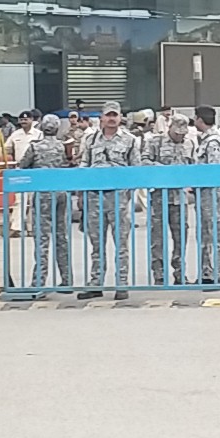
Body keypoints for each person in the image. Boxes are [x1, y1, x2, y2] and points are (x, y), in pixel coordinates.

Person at [79, 102, 140, 298]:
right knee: (97, 245)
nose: (112, 118)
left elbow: (135, 169)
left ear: (120, 117)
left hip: (118, 199)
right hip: (95, 199)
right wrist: (81, 194)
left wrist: (128, 193)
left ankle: (122, 284)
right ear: (102, 118)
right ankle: (95, 283)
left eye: (115, 115)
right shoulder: (90, 140)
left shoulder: (130, 140)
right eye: (108, 115)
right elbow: (83, 166)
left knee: (121, 244)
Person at [18, 114, 73, 291]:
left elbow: (23, 165)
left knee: (42, 238)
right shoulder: (61, 146)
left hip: (43, 194)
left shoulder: (35, 147)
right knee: (61, 236)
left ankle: (39, 283)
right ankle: (67, 280)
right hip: (61, 192)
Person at [143, 113, 196, 286]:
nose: (180, 136)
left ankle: (180, 273)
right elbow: (143, 162)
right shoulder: (155, 142)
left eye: (183, 133)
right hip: (159, 196)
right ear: (170, 128)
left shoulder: (189, 144)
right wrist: (165, 171)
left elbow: (193, 166)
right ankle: (159, 274)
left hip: (179, 198)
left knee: (181, 237)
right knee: (157, 238)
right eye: (177, 132)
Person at [191, 106, 220, 287]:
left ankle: (219, 273)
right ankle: (207, 272)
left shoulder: (213, 141)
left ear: (200, 119)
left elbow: (213, 170)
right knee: (205, 234)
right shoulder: (205, 139)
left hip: (212, 194)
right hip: (204, 194)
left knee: (215, 232)